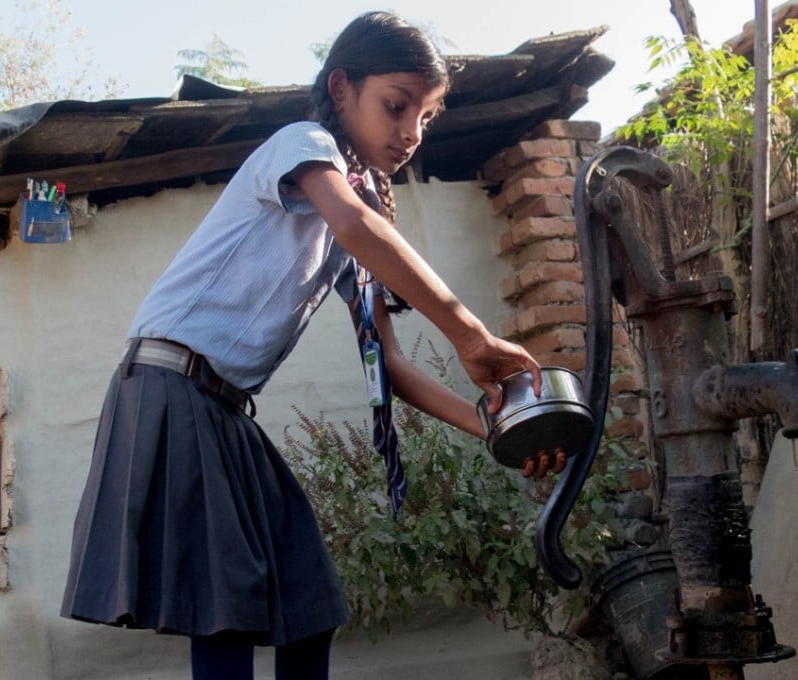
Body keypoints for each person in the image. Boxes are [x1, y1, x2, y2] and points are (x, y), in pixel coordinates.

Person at [61, 10, 551, 679]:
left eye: (427, 117)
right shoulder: (303, 145)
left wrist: (495, 429)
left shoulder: (356, 225)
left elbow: (393, 366)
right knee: (224, 606)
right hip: (172, 385)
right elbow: (351, 222)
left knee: (308, 600)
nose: (411, 132)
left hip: (225, 410)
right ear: (342, 87)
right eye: (397, 105)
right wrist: (471, 333)